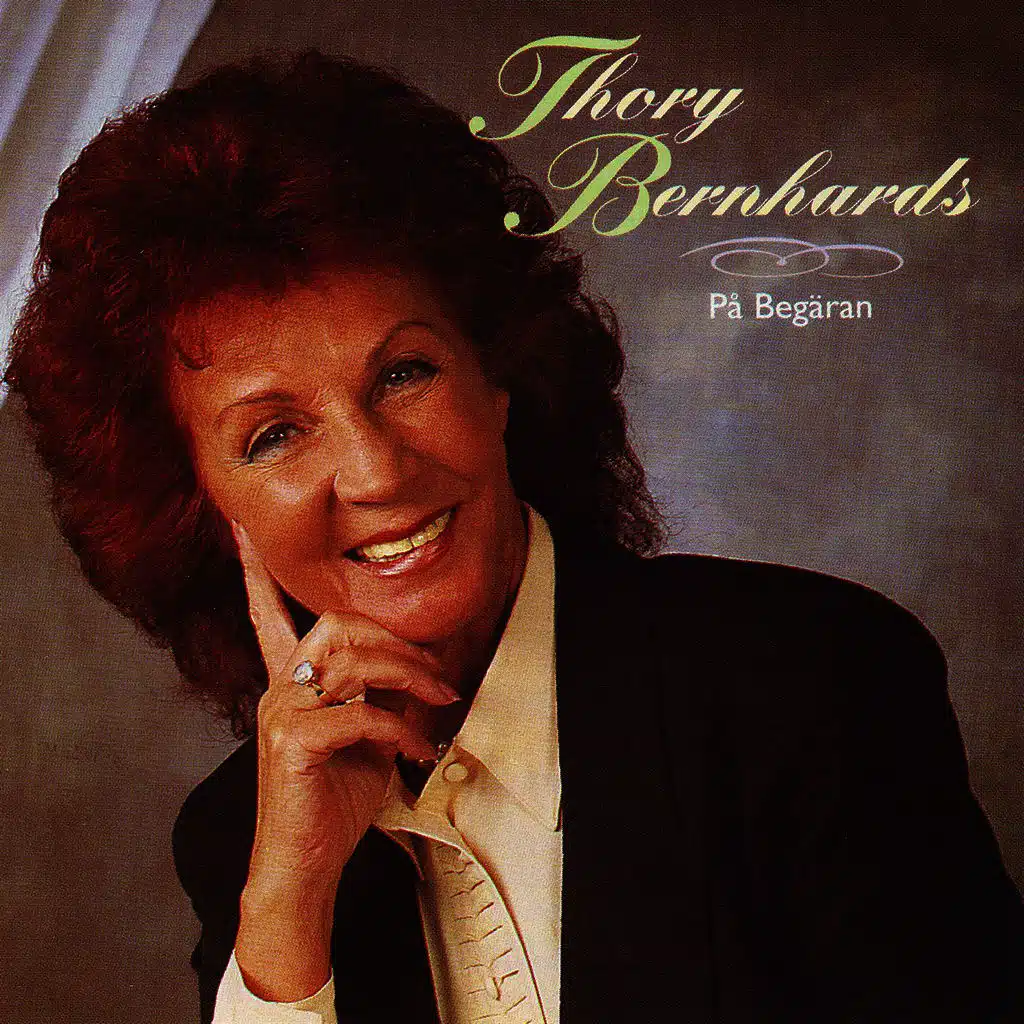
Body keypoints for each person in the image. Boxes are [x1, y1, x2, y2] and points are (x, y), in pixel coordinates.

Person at [4, 50, 1022, 1024]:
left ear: (498, 376)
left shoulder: (806, 682)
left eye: (403, 373)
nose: (377, 472)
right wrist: (287, 898)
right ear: (198, 508)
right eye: (274, 434)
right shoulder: (245, 836)